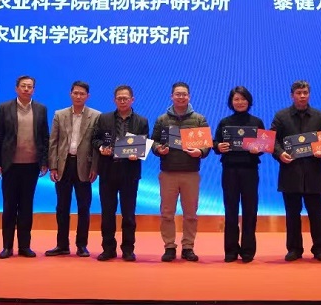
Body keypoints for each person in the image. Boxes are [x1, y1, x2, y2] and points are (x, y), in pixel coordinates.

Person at [150, 82, 210, 262]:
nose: (181, 97)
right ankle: (169, 246)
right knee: (167, 213)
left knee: (190, 214)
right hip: (168, 172)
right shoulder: (162, 119)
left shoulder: (199, 119)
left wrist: (200, 152)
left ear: (189, 96)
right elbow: (153, 142)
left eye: (184, 94)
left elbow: (207, 145)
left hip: (190, 173)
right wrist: (158, 149)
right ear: (172, 96)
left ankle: (188, 247)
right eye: (177, 94)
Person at [271, 80, 321, 262]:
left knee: (316, 214)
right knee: (292, 215)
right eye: (299, 93)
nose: (302, 96)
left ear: (309, 94)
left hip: (313, 172)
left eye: (305, 93)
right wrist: (280, 154)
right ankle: (294, 249)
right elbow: (273, 140)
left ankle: (320, 248)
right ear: (292, 95)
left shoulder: (319, 116)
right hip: (290, 172)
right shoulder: (281, 116)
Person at [0, 75, 49, 259]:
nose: (26, 89)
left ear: (34, 90)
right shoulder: (4, 107)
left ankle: (25, 246)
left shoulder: (41, 109)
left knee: (26, 207)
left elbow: (45, 138)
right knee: (9, 206)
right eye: (23, 86)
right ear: (16, 88)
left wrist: (45, 162)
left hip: (31, 165)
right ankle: (7, 247)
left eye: (30, 86)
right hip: (10, 165)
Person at [91, 85, 149, 262]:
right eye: (119, 98)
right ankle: (108, 248)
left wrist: (137, 154)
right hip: (108, 170)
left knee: (129, 213)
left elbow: (144, 143)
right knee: (107, 213)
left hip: (129, 172)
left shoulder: (141, 121)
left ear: (132, 100)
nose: (122, 101)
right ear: (114, 100)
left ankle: (128, 249)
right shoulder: (104, 118)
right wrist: (102, 147)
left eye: (126, 98)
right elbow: (95, 139)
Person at [45, 81, 100, 257]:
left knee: (84, 207)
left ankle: (81, 245)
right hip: (64, 165)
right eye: (75, 93)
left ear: (87, 96)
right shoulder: (59, 114)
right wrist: (53, 166)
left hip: (84, 166)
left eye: (82, 94)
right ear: (70, 94)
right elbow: (53, 142)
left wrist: (95, 167)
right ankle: (62, 245)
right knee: (62, 207)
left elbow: (96, 145)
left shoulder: (96, 116)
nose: (78, 96)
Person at [213, 86, 264, 263]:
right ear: (231, 102)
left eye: (243, 99)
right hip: (230, 170)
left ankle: (248, 250)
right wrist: (218, 147)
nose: (240, 102)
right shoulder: (224, 122)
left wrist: (259, 149)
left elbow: (265, 145)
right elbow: (215, 143)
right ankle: (231, 250)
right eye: (236, 99)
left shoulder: (257, 122)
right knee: (231, 210)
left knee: (250, 210)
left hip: (250, 170)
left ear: (248, 101)